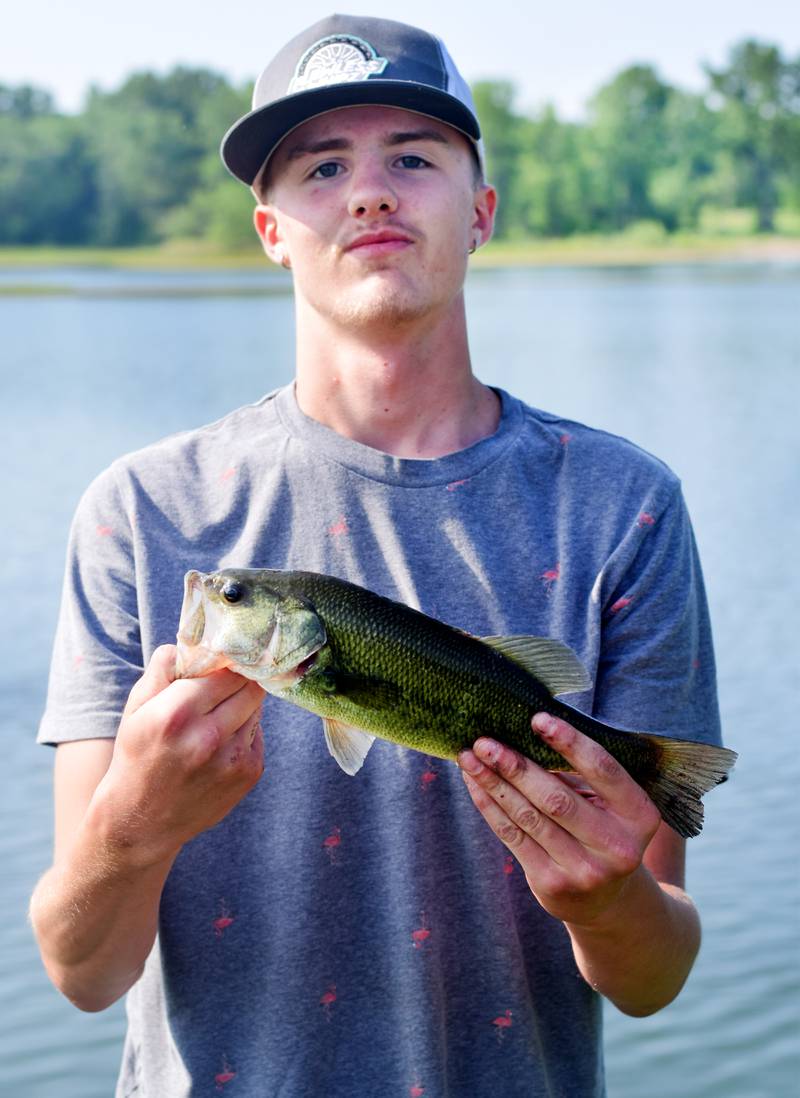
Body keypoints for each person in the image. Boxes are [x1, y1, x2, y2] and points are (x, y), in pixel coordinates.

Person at [30, 14, 723, 1097]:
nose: (369, 193)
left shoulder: (621, 505)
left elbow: (651, 978)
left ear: (480, 210)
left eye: (412, 156)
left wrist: (606, 899)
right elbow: (80, 971)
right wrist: (130, 828)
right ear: (268, 229)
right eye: (321, 167)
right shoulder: (141, 510)